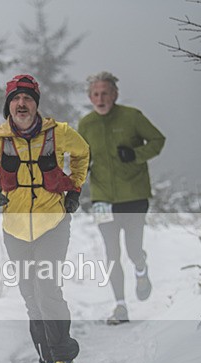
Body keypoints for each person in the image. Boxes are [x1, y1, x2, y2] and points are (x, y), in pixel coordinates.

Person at [0, 74, 89, 363]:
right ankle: (52, 356)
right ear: (8, 105)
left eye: (28, 99)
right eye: (16, 99)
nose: (22, 104)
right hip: (16, 229)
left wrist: (74, 188)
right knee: (31, 297)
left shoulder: (58, 133)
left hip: (53, 223)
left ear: (36, 104)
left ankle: (61, 360)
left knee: (47, 290)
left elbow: (82, 154)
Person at [77, 71, 165, 325]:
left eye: (105, 93)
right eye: (95, 94)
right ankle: (120, 306)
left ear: (115, 94)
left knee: (133, 249)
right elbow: (82, 156)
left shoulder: (132, 117)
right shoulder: (86, 124)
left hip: (134, 195)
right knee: (112, 253)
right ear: (89, 97)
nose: (100, 98)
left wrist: (136, 154)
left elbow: (158, 140)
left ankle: (141, 268)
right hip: (102, 198)